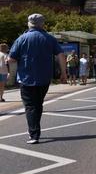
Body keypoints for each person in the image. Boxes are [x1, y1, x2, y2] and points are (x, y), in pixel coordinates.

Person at [8, 14, 67, 144]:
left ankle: (34, 134)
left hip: (26, 78)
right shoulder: (50, 38)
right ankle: (36, 129)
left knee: (30, 106)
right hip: (44, 78)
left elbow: (11, 58)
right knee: (38, 104)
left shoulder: (21, 38)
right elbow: (61, 55)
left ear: (29, 24)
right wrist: (64, 73)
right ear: (42, 24)